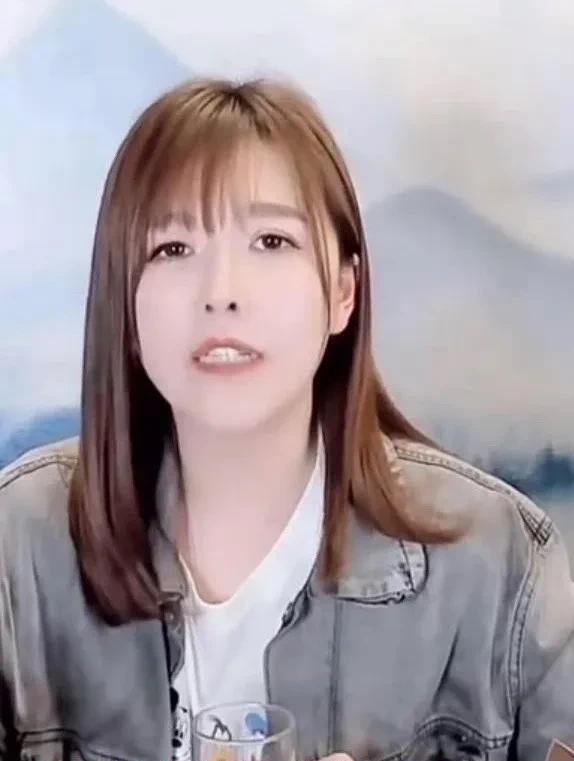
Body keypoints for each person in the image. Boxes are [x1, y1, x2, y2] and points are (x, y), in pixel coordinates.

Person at [1, 77, 573, 761]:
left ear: (343, 294)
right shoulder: (18, 548)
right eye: (173, 249)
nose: (222, 293)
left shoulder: (497, 562)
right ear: (123, 303)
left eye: (271, 241)